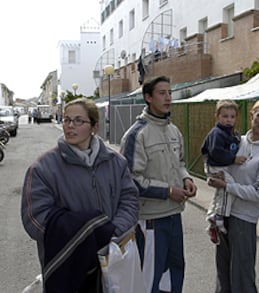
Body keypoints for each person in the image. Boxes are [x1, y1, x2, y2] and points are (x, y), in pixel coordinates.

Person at [21, 98, 139, 292]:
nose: (70, 126)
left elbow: (130, 200)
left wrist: (112, 233)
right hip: (68, 265)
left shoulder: (116, 162)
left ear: (94, 127)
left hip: (111, 257)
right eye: (66, 120)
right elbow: (34, 218)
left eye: (78, 121)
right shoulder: (43, 168)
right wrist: (83, 240)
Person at [120, 76, 197, 293]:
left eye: (170, 92)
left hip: (174, 214)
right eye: (162, 93)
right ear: (148, 97)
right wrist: (168, 191)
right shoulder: (137, 134)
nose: (168, 97)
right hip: (151, 219)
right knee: (151, 276)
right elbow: (131, 179)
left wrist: (186, 179)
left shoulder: (173, 130)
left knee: (175, 269)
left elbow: (180, 163)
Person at [207, 99, 259, 293]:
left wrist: (227, 186)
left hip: (244, 218)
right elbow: (218, 162)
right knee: (223, 273)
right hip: (224, 212)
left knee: (242, 276)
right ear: (251, 115)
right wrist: (213, 175)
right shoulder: (239, 141)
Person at [201, 99, 246, 244]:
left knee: (219, 193)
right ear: (217, 117)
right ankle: (220, 216)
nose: (229, 120)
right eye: (225, 116)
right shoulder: (217, 133)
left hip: (217, 166)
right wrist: (233, 159)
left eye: (232, 117)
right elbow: (216, 152)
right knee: (229, 187)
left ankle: (212, 218)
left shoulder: (228, 133)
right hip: (216, 167)